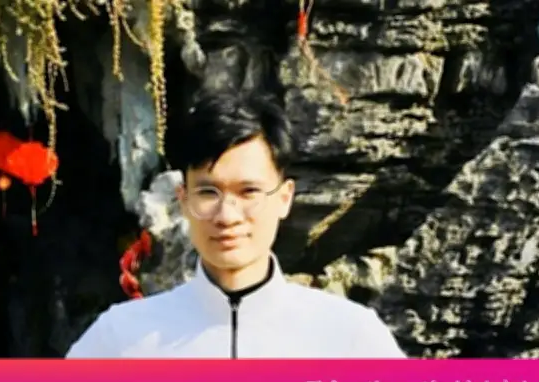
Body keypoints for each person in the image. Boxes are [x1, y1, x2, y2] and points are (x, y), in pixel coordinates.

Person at [65, 90, 407, 359]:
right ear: (183, 200)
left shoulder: (349, 338)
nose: (227, 216)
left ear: (284, 198)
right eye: (208, 192)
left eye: (249, 192)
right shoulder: (122, 339)